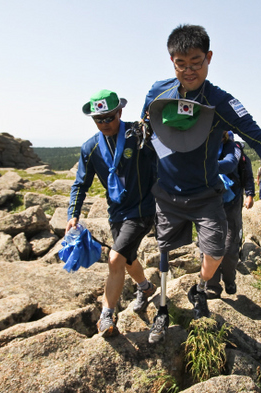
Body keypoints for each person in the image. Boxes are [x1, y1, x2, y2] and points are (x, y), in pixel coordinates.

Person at [141, 24, 261, 344]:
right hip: (167, 193)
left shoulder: (220, 101)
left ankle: (200, 286)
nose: (189, 70)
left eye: (196, 62)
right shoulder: (158, 92)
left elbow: (257, 135)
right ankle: (162, 311)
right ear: (171, 61)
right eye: (181, 63)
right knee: (164, 254)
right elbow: (145, 127)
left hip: (206, 193)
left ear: (209, 58)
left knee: (217, 252)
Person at [67, 89, 158, 338]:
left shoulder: (136, 134)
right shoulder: (91, 147)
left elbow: (164, 154)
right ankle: (146, 287)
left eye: (109, 117)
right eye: (99, 119)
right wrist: (73, 214)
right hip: (116, 211)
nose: (105, 123)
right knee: (127, 258)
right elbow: (80, 184)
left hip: (143, 208)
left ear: (120, 112)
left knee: (115, 258)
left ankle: (106, 316)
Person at [205, 131, 255, 299]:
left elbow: (246, 174)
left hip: (232, 202)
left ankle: (229, 279)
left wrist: (250, 194)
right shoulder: (203, 147)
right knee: (209, 244)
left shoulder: (235, 151)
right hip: (209, 202)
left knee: (229, 246)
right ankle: (212, 284)